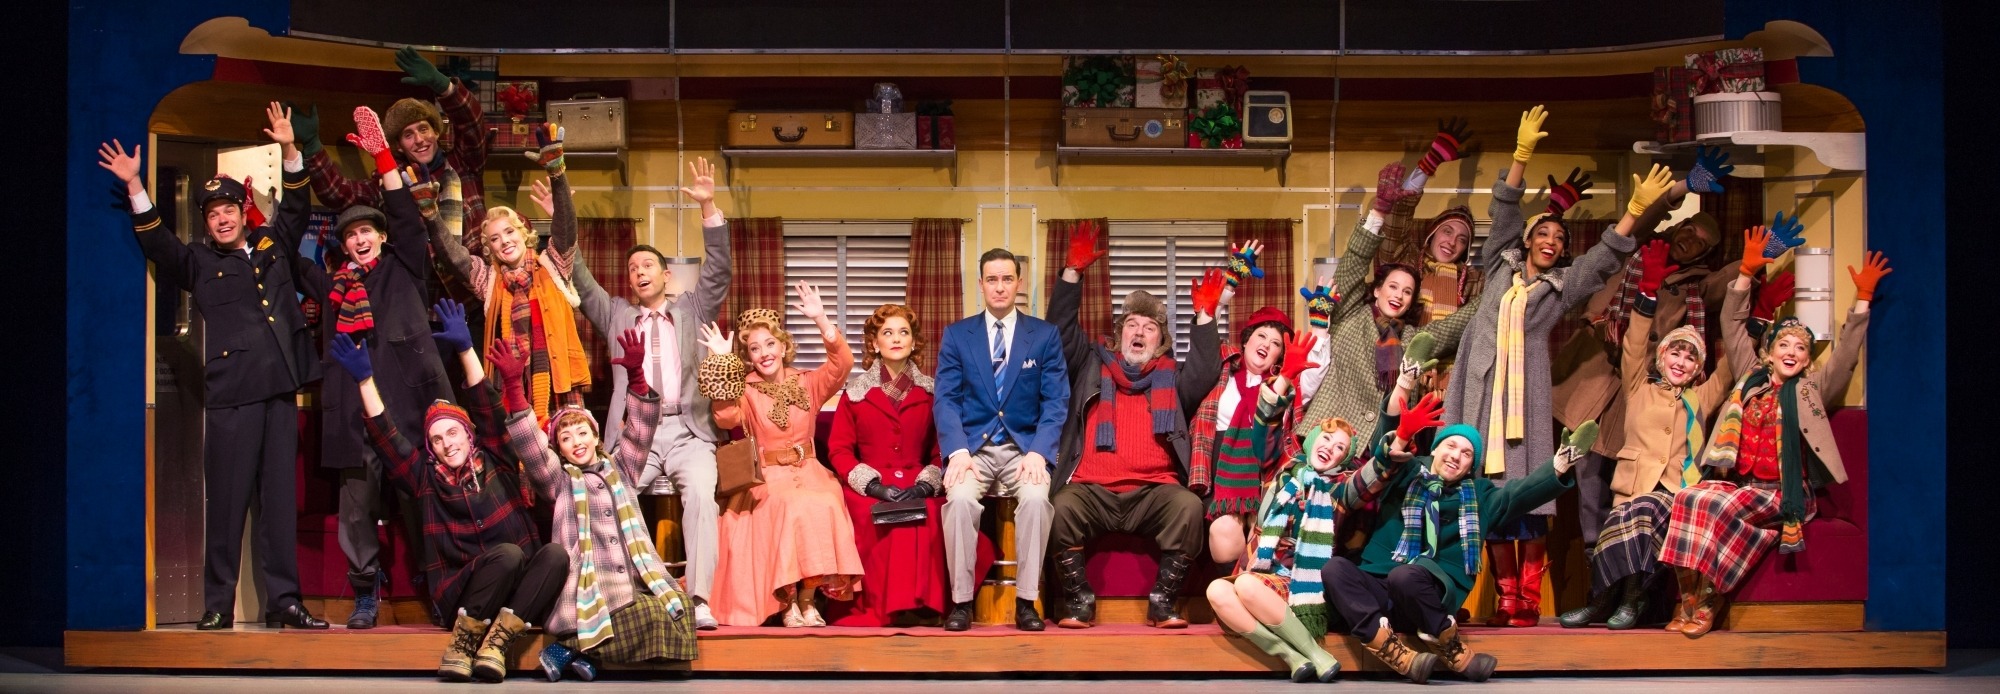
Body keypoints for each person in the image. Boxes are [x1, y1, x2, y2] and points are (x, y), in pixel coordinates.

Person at [1441, 105, 1670, 628]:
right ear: (1527, 240)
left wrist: (1633, 211)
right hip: (1479, 399)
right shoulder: (1498, 261)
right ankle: (1506, 598)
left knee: (1535, 500)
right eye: (1543, 235)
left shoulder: (1560, 288)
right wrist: (1521, 157)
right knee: (1490, 499)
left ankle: (1527, 594)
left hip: (1525, 403)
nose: (1550, 242)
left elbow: (1604, 259)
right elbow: (1503, 208)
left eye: (1559, 240)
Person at [98, 135, 327, 631]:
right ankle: (219, 604)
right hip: (233, 398)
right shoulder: (199, 263)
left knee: (279, 508)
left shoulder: (272, 247)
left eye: (228, 209)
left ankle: (284, 601)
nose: (222, 219)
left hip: (281, 391)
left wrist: (291, 152)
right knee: (226, 506)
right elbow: (158, 242)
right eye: (212, 214)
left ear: (244, 212)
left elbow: (296, 208)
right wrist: (135, 184)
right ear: (205, 222)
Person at [265, 102, 452, 629]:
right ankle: (366, 591)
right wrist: (284, 171)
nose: (361, 238)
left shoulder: (405, 267)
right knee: (356, 506)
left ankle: (435, 586)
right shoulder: (332, 287)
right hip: (355, 416)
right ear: (342, 246)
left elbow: (408, 219)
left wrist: (383, 160)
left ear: (382, 235)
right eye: (350, 235)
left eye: (368, 230)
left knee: (420, 502)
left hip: (409, 411)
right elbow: (287, 258)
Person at [1655, 242, 1890, 638]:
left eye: (1801, 348)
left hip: (1786, 491)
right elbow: (1731, 323)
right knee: (1689, 497)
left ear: (1808, 359)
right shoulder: (1750, 376)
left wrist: (1862, 301)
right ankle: (1688, 600)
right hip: (1743, 484)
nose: (1792, 352)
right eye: (1784, 344)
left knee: (1721, 508)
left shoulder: (1812, 389)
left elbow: (1847, 355)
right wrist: (1744, 275)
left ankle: (1710, 602)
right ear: (1768, 351)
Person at [330, 300, 566, 682]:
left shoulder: (496, 458)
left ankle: (497, 644)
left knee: (554, 555)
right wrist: (363, 380)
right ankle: (463, 644)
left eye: (453, 433)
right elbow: (386, 436)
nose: (447, 444)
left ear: (468, 435)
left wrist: (464, 348)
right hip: (462, 596)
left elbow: (488, 407)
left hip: (515, 591)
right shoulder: (425, 477)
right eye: (437, 439)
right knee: (505, 555)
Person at [1324, 361, 1598, 683]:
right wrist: (1401, 399)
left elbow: (1521, 494)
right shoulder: (1409, 471)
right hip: (1379, 583)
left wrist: (1559, 466)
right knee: (1335, 569)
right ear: (1436, 448)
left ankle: (1449, 643)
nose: (1456, 455)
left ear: (1471, 466)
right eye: (1450, 445)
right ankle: (1391, 649)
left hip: (1426, 591)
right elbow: (1383, 456)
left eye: (1467, 453)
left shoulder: (1479, 495)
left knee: (1406, 576)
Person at [1043, 227, 1255, 629]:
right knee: (1060, 506)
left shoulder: (1172, 377)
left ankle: (1163, 601)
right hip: (1092, 490)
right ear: (1120, 332)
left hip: (1154, 491)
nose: (1138, 332)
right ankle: (1077, 599)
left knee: (1189, 506)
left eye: (1149, 328)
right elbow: (1061, 333)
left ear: (1160, 342)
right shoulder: (1090, 364)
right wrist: (1072, 273)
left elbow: (1206, 370)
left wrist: (1206, 318)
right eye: (1132, 325)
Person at [1554, 148, 1750, 555]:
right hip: (1593, 371)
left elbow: (1729, 284)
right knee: (1582, 462)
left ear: (1704, 253)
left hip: (1640, 383)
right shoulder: (1640, 248)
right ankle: (1592, 549)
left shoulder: (1696, 285)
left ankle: (1615, 550)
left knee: (1620, 466)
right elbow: (1639, 218)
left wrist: (1757, 260)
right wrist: (1683, 186)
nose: (1689, 241)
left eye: (1700, 243)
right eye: (1689, 230)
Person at [564, 156, 730, 630]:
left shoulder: (694, 308)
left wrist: (708, 207)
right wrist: (564, 213)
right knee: (613, 497)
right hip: (634, 432)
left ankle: (698, 600)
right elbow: (577, 274)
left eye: (648, 265)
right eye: (632, 266)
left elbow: (717, 269)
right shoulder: (615, 313)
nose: (639, 271)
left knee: (701, 494)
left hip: (688, 430)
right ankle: (634, 592)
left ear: (666, 276)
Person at [1558, 238, 1750, 630]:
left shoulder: (1701, 397)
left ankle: (1633, 599)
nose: (1681, 362)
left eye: (1690, 357)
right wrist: (1646, 293)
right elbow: (1632, 344)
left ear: (1697, 368)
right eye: (1675, 353)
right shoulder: (1637, 386)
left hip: (1672, 490)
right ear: (1662, 358)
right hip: (1631, 485)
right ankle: (1601, 602)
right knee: (1620, 527)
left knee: (1645, 519)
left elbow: (1733, 365)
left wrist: (1748, 294)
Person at [508, 329, 698, 674]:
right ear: (559, 448)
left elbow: (640, 430)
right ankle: (578, 650)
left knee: (673, 609)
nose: (576, 441)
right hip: (590, 582)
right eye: (566, 438)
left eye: (582, 433)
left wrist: (638, 376)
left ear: (596, 437)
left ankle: (580, 654)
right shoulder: (559, 480)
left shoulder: (621, 467)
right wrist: (512, 389)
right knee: (638, 614)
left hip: (635, 576)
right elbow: (531, 449)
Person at [697, 283, 866, 627]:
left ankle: (808, 600)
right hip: (767, 477)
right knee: (789, 506)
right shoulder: (744, 387)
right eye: (755, 348)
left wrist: (821, 319)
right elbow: (725, 417)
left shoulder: (808, 381)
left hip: (812, 470)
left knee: (827, 502)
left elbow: (843, 363)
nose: (764, 353)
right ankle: (786, 602)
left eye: (770, 344)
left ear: (783, 345)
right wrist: (721, 362)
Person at [1294, 156, 1480, 459]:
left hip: (1374, 450)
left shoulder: (1412, 340)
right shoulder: (1352, 311)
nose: (1399, 296)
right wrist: (1378, 211)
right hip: (1326, 439)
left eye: (1407, 292)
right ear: (1377, 289)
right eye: (1393, 287)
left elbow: (1458, 324)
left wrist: (1514, 278)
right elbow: (1354, 262)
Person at [933, 248, 1071, 631]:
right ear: (981, 284)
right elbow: (946, 399)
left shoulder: (1043, 336)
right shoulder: (957, 336)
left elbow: (1055, 400)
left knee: (1036, 499)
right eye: (991, 279)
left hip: (1021, 450)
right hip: (972, 450)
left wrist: (1039, 453)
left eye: (1007, 279)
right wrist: (957, 451)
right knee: (958, 500)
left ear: (1019, 283)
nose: (999, 287)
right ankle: (961, 603)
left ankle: (1027, 601)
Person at [432, 124, 589, 424]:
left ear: (523, 233)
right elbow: (453, 255)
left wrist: (557, 172)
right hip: (510, 386)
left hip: (558, 383)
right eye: (494, 238)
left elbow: (566, 229)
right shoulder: (489, 279)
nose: (504, 241)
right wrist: (431, 217)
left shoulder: (552, 264)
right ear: (489, 248)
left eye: (509, 232)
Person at [1203, 411, 1357, 682]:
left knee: (1247, 584)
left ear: (1343, 459)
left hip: (1302, 586)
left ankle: (1317, 653)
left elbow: (1374, 475)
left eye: (1339, 448)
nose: (1329, 447)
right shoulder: (1286, 474)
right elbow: (1264, 434)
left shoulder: (1341, 488)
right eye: (1327, 438)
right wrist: (1281, 384)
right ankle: (1290, 655)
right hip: (1264, 574)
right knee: (1216, 589)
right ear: (1311, 440)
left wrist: (1399, 436)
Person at [824, 305, 951, 626]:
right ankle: (888, 608)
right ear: (875, 343)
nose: (896, 339)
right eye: (887, 333)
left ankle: (924, 606)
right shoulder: (854, 394)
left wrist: (925, 483)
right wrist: (873, 486)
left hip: (917, 480)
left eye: (903, 332)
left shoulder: (933, 393)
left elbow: (941, 450)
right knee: (870, 515)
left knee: (930, 512)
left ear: (914, 342)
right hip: (867, 485)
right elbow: (839, 451)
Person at [299, 46, 492, 243]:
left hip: (474, 269)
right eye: (408, 135)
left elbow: (472, 123)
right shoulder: (391, 183)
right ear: (399, 146)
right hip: (418, 272)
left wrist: (443, 86)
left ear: (436, 132)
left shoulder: (464, 163)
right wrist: (313, 146)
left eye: (423, 129)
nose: (419, 139)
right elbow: (338, 193)